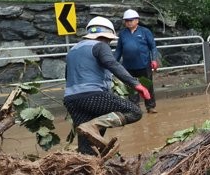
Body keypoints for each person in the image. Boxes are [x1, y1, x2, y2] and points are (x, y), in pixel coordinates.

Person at [64, 16, 150, 155]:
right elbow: (112, 64)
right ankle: (94, 125)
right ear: (105, 35)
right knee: (134, 112)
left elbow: (68, 76)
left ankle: (87, 170)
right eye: (109, 40)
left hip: (71, 100)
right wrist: (136, 84)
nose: (109, 42)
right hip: (93, 96)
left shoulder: (72, 50)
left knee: (88, 146)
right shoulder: (100, 45)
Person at [115, 8, 159, 114]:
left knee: (147, 85)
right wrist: (113, 63)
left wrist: (154, 59)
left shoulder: (145, 32)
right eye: (127, 20)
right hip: (128, 66)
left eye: (131, 20)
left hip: (144, 64)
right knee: (131, 87)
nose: (129, 22)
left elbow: (152, 47)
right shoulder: (123, 34)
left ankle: (150, 106)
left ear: (137, 20)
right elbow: (119, 50)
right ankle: (134, 108)